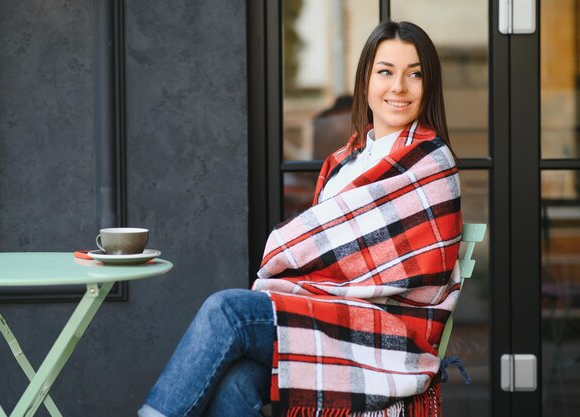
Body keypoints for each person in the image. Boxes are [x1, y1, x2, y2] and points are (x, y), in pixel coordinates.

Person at [138, 21, 461, 417]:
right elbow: (324, 256)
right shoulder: (344, 161)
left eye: (415, 74)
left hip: (387, 331)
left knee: (228, 312)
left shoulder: (431, 161)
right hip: (326, 313)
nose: (399, 87)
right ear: (365, 82)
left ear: (428, 86)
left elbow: (352, 260)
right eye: (386, 72)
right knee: (236, 383)